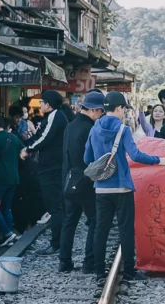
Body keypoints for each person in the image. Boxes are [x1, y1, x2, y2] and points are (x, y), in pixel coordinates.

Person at [85, 91, 165, 284]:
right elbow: (136, 155)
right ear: (120, 108)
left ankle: (99, 272)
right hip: (122, 188)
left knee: (100, 230)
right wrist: (158, 160)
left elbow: (87, 159)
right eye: (124, 109)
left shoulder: (94, 128)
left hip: (101, 188)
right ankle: (129, 272)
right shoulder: (123, 130)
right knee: (125, 230)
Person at [59, 91, 105, 273]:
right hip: (86, 180)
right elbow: (93, 158)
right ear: (94, 110)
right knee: (94, 221)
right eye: (101, 112)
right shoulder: (91, 129)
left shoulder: (70, 126)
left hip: (70, 180)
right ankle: (89, 263)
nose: (101, 115)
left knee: (69, 221)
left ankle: (64, 262)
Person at [22, 90, 68, 256]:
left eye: (41, 102)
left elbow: (45, 138)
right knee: (55, 206)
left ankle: (57, 243)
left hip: (52, 168)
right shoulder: (51, 117)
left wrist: (28, 149)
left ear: (48, 104)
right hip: (49, 166)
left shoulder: (56, 116)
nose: (40, 105)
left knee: (55, 206)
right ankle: (60, 242)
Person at [0, 115, 24, 248]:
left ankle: (7, 232)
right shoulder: (13, 137)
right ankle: (10, 235)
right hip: (14, 177)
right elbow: (23, 151)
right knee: (6, 207)